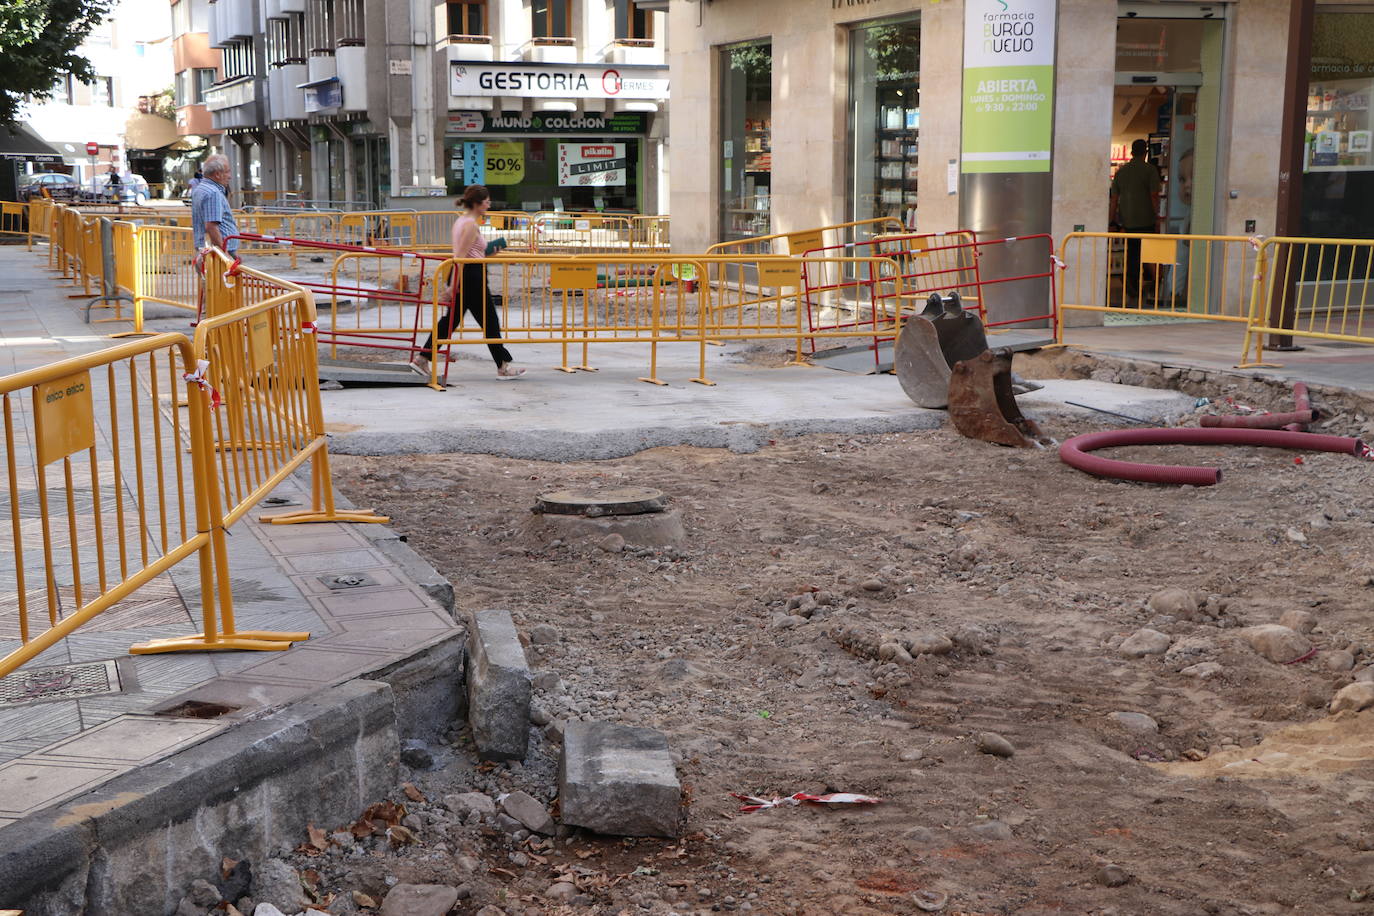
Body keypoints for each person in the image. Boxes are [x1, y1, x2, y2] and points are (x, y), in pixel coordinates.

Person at [412, 184, 525, 379]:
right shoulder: (470, 225)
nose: (489, 205)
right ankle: (503, 367)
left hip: (467, 274)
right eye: (487, 202)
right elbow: (461, 257)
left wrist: (489, 251)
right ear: (477, 203)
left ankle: (422, 358)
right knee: (489, 322)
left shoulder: (462, 221)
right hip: (470, 276)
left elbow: (469, 253)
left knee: (451, 321)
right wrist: (452, 286)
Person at [1109, 138, 1162, 305]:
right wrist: (1157, 215)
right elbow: (1154, 196)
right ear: (1145, 152)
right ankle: (1156, 286)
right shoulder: (1150, 170)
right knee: (1150, 254)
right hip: (1146, 220)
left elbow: (1114, 199)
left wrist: (1111, 220)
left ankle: (1132, 287)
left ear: (1131, 152)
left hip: (1128, 221)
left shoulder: (1121, 172)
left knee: (1132, 254)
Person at [191, 155, 239, 257]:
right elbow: (211, 226)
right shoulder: (213, 192)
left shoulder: (201, 189)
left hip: (208, 249)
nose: (230, 176)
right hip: (220, 250)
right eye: (227, 172)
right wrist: (225, 255)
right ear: (217, 174)